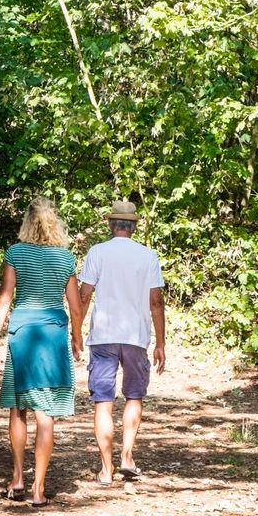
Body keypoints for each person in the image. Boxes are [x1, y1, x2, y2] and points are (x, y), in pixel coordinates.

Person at [0, 197, 84, 506]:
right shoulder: (65, 259)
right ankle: (39, 490)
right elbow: (75, 306)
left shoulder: (15, 253)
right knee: (46, 414)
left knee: (19, 408)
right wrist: (77, 337)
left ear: (27, 223)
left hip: (22, 334)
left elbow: (4, 299)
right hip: (53, 337)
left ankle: (17, 478)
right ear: (54, 223)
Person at [78, 199, 165, 485]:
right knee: (134, 396)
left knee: (103, 402)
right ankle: (127, 456)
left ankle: (106, 469)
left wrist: (75, 331)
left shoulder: (97, 252)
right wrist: (160, 343)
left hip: (103, 335)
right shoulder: (147, 256)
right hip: (135, 337)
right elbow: (156, 301)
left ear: (110, 224)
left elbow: (84, 294)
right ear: (134, 225)